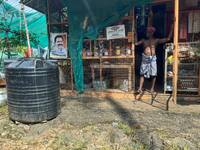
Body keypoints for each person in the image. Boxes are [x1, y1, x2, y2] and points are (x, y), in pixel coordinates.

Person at [135, 25, 173, 93]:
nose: (146, 33)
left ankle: (152, 89)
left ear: (152, 33)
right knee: (142, 73)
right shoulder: (143, 40)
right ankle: (140, 89)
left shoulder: (156, 40)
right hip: (145, 58)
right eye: (146, 32)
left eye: (148, 32)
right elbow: (136, 44)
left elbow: (167, 39)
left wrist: (172, 29)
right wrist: (135, 34)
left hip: (152, 58)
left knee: (153, 74)